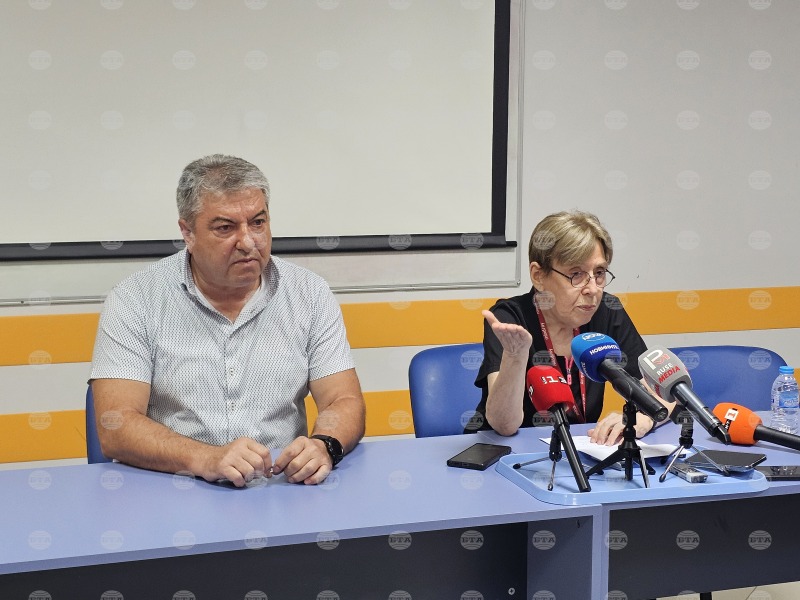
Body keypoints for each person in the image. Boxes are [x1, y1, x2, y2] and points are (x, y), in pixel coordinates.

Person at [90, 154, 365, 487]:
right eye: (225, 228)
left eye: (258, 222)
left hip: (280, 487)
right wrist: (206, 458)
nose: (248, 242)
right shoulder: (135, 299)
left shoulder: (309, 292)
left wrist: (325, 445)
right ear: (187, 232)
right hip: (174, 486)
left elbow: (342, 400)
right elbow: (116, 424)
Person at [473, 210, 672, 444]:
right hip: (507, 451)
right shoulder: (510, 318)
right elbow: (504, 425)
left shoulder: (607, 311)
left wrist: (644, 418)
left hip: (582, 449)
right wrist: (515, 356)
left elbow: (665, 395)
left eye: (599, 273)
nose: (593, 289)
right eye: (576, 274)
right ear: (538, 276)